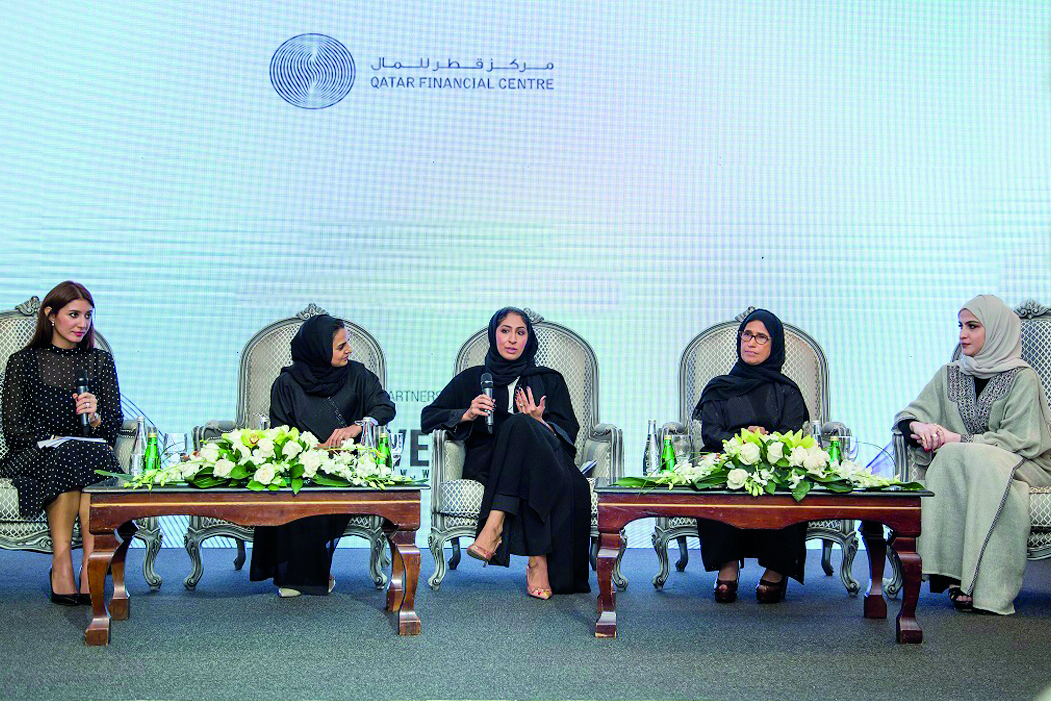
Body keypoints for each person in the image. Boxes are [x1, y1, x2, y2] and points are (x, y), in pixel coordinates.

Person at [895, 295, 1051, 614]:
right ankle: (956, 577)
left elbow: (1021, 438)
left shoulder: (1023, 378)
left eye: (973, 326)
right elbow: (911, 412)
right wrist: (920, 427)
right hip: (970, 466)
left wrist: (958, 438)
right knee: (957, 457)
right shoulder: (949, 374)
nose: (962, 334)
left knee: (966, 455)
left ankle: (982, 586)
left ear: (995, 332)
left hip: (1026, 463)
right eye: (960, 326)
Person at [421, 307, 591, 599]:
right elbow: (428, 417)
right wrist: (467, 413)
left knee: (522, 424)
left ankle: (494, 524)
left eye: (520, 332)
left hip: (546, 460)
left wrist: (541, 424)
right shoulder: (473, 379)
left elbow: (568, 431)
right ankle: (537, 560)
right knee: (518, 425)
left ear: (529, 339)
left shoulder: (550, 379)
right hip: (492, 463)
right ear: (493, 335)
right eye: (505, 331)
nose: (512, 339)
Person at [249, 314, 395, 597]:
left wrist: (357, 427)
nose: (349, 350)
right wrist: (313, 451)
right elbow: (281, 433)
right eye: (341, 347)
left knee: (328, 485)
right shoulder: (287, 383)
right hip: (304, 461)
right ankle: (302, 572)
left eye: (347, 344)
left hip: (346, 462)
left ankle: (304, 575)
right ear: (317, 349)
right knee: (296, 484)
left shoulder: (358, 375)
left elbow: (385, 407)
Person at [0, 281, 121, 606]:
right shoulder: (23, 362)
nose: (83, 323)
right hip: (35, 453)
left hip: (85, 451)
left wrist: (95, 418)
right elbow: (13, 426)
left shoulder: (100, 362)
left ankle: (87, 566)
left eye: (88, 316)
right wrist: (53, 439)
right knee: (71, 453)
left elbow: (111, 428)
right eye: (74, 314)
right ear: (51, 316)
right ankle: (63, 561)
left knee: (83, 453)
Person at [694, 309, 810, 604]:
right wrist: (742, 440)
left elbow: (791, 433)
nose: (751, 342)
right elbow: (711, 433)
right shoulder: (719, 388)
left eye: (761, 337)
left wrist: (765, 442)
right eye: (747, 335)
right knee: (714, 479)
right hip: (728, 458)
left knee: (790, 484)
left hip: (773, 463)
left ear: (774, 346)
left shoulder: (786, 391)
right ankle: (727, 566)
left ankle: (775, 570)